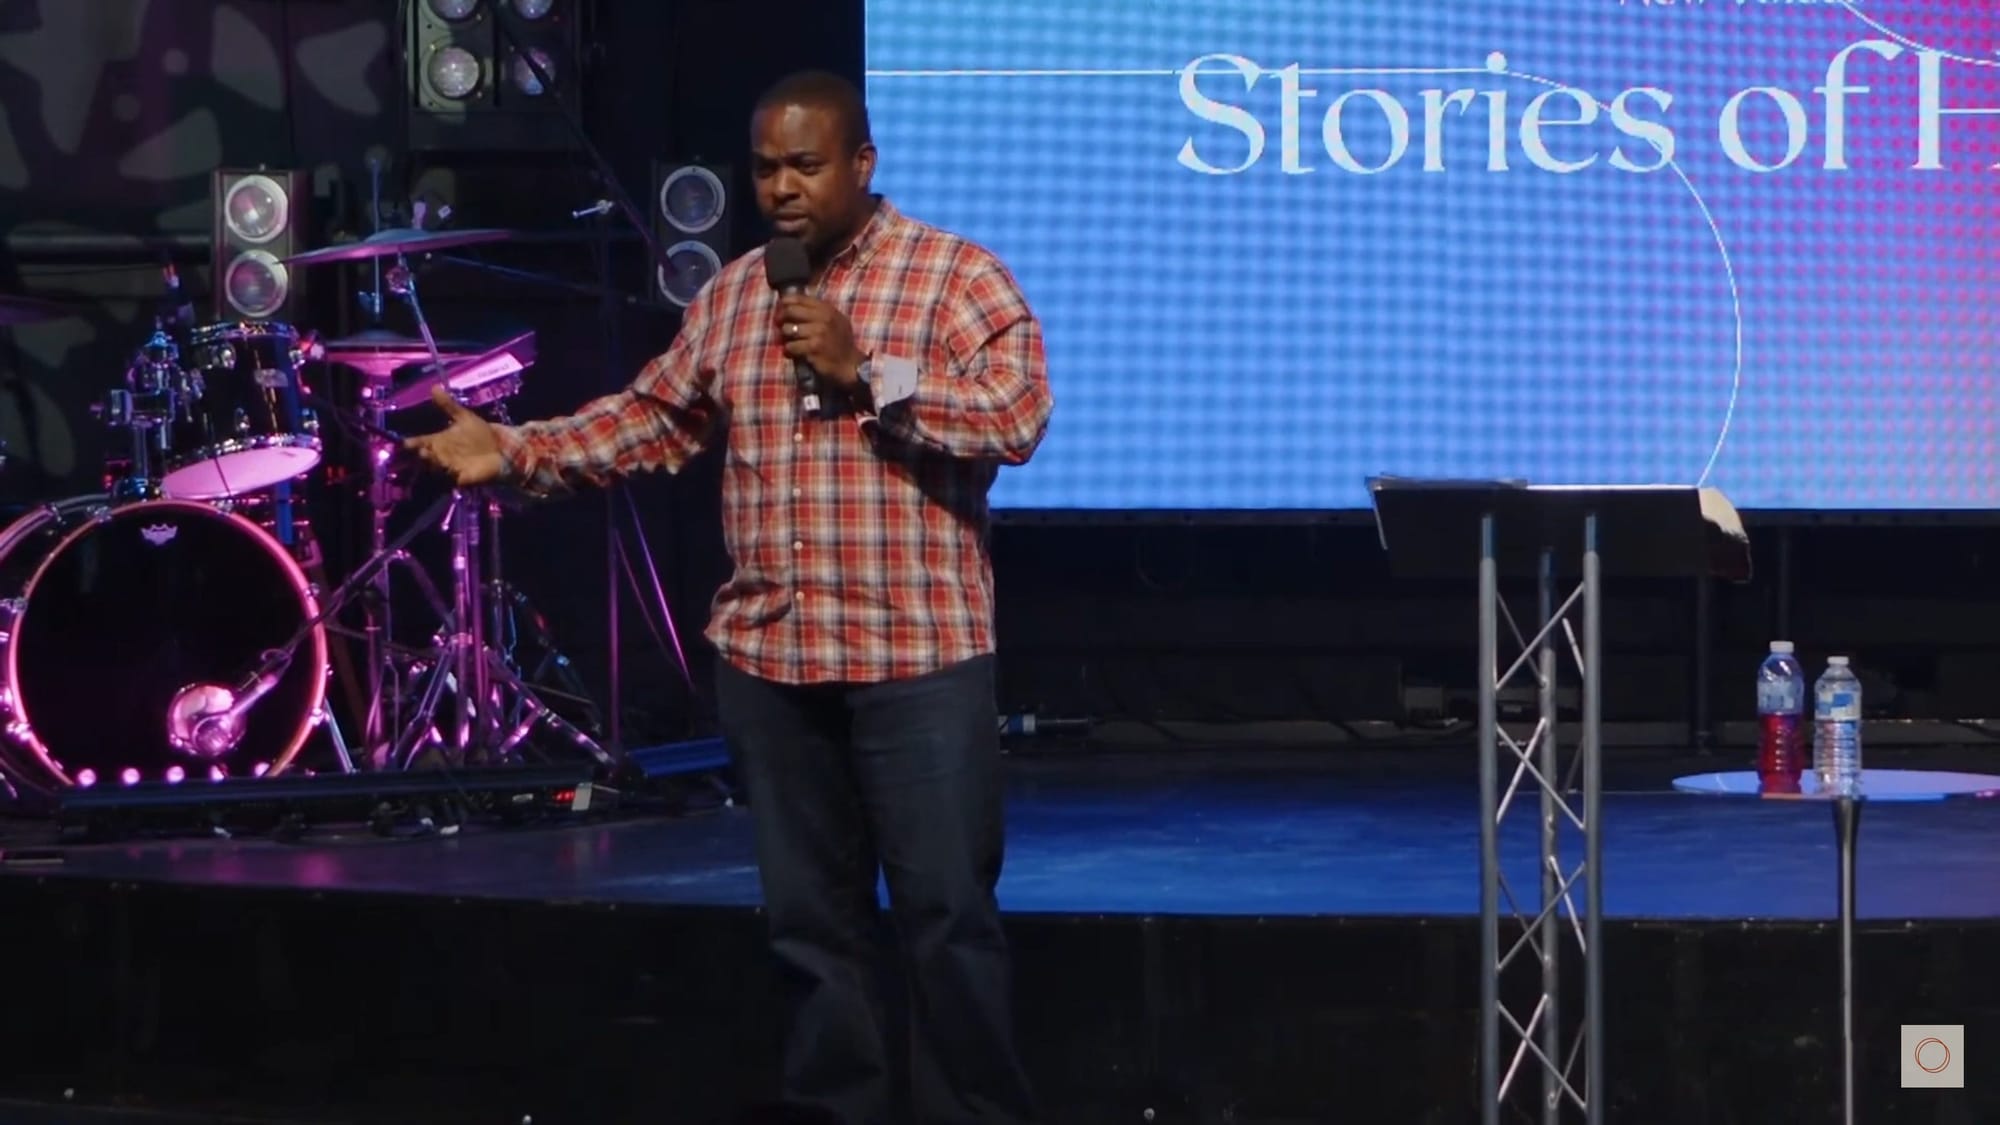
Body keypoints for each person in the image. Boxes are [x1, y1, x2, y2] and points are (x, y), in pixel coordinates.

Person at [403, 70, 1051, 1125]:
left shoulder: (954, 276)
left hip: (917, 661)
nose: (782, 188)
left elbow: (1015, 417)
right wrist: (514, 450)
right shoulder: (739, 293)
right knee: (812, 931)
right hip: (773, 660)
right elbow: (649, 418)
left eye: (806, 165)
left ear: (862, 165)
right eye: (765, 169)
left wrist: (868, 370)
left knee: (946, 920)